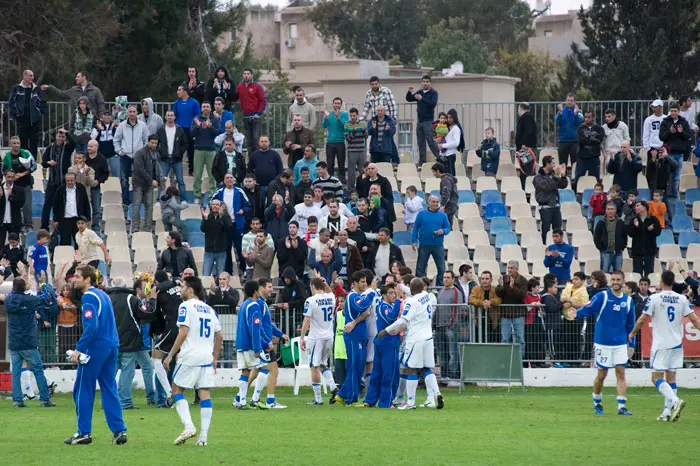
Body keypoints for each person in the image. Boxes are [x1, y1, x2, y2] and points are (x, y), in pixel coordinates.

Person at [64, 265, 127, 445]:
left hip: (96, 347)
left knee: (83, 388)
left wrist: (79, 349)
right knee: (109, 388)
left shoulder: (89, 296)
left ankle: (83, 432)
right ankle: (119, 431)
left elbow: (92, 326)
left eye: (77, 276)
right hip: (111, 345)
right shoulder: (104, 295)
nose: (73, 279)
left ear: (87, 279)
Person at [629, 270, 700, 421]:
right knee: (671, 378)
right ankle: (667, 413)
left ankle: (675, 401)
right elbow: (694, 319)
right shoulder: (682, 298)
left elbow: (642, 319)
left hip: (661, 344)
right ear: (673, 281)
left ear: (661, 281)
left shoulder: (654, 298)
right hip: (676, 343)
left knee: (656, 378)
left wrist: (633, 333)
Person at [163, 276, 222, 446]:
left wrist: (170, 354)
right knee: (204, 393)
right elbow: (220, 335)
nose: (180, 289)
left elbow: (183, 332)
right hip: (206, 357)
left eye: (182, 286)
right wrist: (215, 357)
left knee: (176, 389)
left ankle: (188, 426)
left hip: (190, 355)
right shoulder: (209, 309)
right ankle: (203, 438)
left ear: (190, 289)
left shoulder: (185, 306)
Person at [567, 270, 635, 416]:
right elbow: (589, 308)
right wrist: (576, 314)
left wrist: (632, 344)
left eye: (618, 280)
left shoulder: (628, 301)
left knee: (621, 372)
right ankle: (597, 401)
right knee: (602, 374)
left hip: (620, 343)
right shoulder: (603, 296)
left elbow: (631, 326)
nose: (615, 282)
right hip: (602, 342)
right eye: (614, 279)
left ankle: (621, 406)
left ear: (623, 282)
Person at [379, 277, 443, 410]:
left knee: (410, 369)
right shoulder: (426, 296)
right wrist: (401, 287)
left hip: (415, 339)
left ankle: (410, 402)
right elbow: (414, 290)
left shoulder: (411, 302)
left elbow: (403, 320)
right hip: (428, 338)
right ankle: (437, 394)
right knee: (427, 369)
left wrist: (386, 330)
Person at [4, 275, 55, 408]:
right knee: (38, 370)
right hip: (28, 342)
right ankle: (45, 399)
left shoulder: (9, 299)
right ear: (24, 287)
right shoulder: (29, 300)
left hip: (14, 342)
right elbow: (46, 299)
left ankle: (17, 400)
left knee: (15, 372)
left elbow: (11, 295)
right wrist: (42, 285)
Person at [331, 271, 377, 406]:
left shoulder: (356, 296)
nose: (365, 284)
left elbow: (365, 312)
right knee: (354, 366)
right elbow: (362, 306)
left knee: (358, 366)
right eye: (362, 282)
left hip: (359, 334)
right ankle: (351, 399)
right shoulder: (352, 296)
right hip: (353, 335)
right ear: (355, 283)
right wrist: (372, 292)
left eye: (365, 281)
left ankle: (342, 394)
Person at [112, 277, 155, 410]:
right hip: (129, 341)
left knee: (111, 371)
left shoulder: (106, 298)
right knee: (127, 372)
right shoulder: (131, 299)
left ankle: (109, 400)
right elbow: (147, 313)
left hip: (112, 340)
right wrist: (153, 300)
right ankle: (125, 402)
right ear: (126, 286)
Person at [300, 278, 339, 405]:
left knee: (314, 366)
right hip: (329, 336)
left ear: (312, 286)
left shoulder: (310, 300)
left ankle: (318, 398)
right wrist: (326, 283)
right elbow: (329, 291)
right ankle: (333, 387)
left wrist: (302, 337)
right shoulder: (331, 297)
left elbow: (306, 320)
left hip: (316, 337)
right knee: (323, 364)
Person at [363, 282, 401, 408]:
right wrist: (398, 302)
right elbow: (390, 319)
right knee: (390, 373)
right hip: (388, 343)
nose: (394, 295)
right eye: (390, 293)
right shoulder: (384, 306)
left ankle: (370, 400)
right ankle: (386, 402)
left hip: (383, 342)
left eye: (394, 293)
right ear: (384, 295)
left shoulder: (385, 305)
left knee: (378, 372)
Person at [211, 173, 251, 275]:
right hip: (224, 226)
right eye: (227, 178)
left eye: (231, 178)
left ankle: (243, 269)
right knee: (226, 249)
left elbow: (248, 206)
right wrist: (219, 209)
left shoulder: (239, 191)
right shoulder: (219, 192)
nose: (229, 179)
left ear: (234, 180)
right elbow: (211, 204)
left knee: (240, 248)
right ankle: (228, 271)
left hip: (237, 225)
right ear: (224, 181)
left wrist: (242, 210)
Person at [113, 105, 149, 205]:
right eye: (130, 112)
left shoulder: (142, 125)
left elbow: (146, 139)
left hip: (139, 156)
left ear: (137, 112)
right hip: (125, 155)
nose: (132, 113)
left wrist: (143, 152)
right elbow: (116, 139)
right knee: (124, 180)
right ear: (127, 113)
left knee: (140, 179)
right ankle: (125, 200)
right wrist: (119, 151)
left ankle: (139, 200)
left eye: (134, 111)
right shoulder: (122, 125)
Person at [412, 195, 450, 286]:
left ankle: (440, 287)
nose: (435, 204)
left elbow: (448, 228)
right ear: (428, 202)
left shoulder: (443, 215)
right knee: (420, 268)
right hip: (424, 245)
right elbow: (415, 228)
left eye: (437, 202)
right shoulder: (421, 214)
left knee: (441, 268)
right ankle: (420, 287)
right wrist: (414, 241)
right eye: (433, 202)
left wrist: (443, 231)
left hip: (438, 245)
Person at [41, 129, 76, 229]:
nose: (60, 138)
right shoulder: (50, 148)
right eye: (59, 136)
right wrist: (48, 162)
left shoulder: (67, 147)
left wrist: (67, 133)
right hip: (52, 181)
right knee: (47, 204)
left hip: (63, 182)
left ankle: (62, 224)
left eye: (62, 137)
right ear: (56, 137)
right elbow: (43, 163)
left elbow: (73, 143)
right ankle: (44, 226)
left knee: (62, 204)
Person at [495, 261, 528, 361]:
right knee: (505, 339)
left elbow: (522, 295)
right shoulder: (504, 278)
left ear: (517, 269)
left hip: (518, 314)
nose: (509, 270)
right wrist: (500, 285)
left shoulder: (523, 280)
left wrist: (513, 288)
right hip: (505, 314)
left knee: (520, 339)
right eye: (508, 268)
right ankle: (504, 361)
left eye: (511, 268)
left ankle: (520, 361)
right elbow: (499, 294)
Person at [2, 136, 36, 233]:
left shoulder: (26, 153)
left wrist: (23, 173)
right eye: (14, 143)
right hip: (13, 185)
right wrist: (11, 175)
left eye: (18, 143)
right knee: (14, 206)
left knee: (27, 205)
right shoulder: (7, 156)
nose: (16, 145)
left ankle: (28, 225)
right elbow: (3, 169)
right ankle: (18, 225)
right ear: (10, 145)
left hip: (26, 183)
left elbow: (34, 166)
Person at [9, 69, 45, 157]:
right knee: (23, 142)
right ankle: (23, 162)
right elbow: (12, 102)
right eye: (30, 75)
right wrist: (16, 114)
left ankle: (33, 163)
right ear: (24, 76)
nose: (32, 77)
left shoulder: (36, 88)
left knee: (34, 142)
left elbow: (42, 101)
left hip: (34, 120)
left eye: (33, 76)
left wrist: (39, 112)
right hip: (22, 120)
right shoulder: (16, 88)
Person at [659, 102, 692, 199]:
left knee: (676, 177)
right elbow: (661, 137)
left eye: (675, 111)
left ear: (678, 112)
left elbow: (688, 136)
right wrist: (669, 132)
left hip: (679, 153)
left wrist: (681, 132)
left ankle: (674, 197)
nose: (673, 113)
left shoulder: (683, 122)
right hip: (668, 154)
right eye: (672, 111)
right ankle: (666, 196)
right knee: (667, 176)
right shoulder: (665, 122)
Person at [533, 155, 568, 244]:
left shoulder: (553, 175)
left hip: (556, 206)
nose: (554, 165)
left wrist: (563, 176)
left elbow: (562, 185)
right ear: (547, 164)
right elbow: (547, 187)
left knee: (558, 230)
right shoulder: (538, 178)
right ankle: (545, 246)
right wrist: (556, 177)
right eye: (552, 163)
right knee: (546, 230)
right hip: (545, 207)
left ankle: (558, 246)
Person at [435, 270, 463, 380]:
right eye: (444, 277)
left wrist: (452, 323)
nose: (445, 279)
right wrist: (435, 323)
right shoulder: (441, 291)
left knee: (452, 352)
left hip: (451, 326)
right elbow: (437, 308)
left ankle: (453, 375)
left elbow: (457, 308)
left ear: (453, 279)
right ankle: (444, 374)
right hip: (440, 326)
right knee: (442, 352)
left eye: (448, 277)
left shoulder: (456, 292)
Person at [191, 102, 221, 203]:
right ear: (201, 108)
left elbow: (217, 133)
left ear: (210, 108)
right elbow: (191, 134)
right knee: (198, 174)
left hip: (211, 149)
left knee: (212, 174)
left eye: (207, 106)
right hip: (198, 149)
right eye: (204, 106)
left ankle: (212, 193)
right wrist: (198, 126)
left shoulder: (214, 119)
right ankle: (197, 195)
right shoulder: (196, 119)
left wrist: (210, 127)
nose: (205, 108)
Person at [406, 75, 439, 164]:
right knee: (420, 142)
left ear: (430, 83)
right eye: (424, 81)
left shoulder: (433, 93)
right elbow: (409, 99)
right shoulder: (419, 92)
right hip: (419, 121)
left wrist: (422, 99)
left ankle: (439, 157)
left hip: (428, 121)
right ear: (421, 82)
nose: (425, 83)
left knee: (430, 141)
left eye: (427, 81)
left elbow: (432, 104)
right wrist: (409, 93)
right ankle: (422, 160)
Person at [131, 134, 161, 233]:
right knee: (137, 205)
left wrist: (158, 180)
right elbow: (140, 169)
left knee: (149, 205)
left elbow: (156, 168)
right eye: (152, 143)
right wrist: (151, 180)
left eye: (155, 143)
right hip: (139, 183)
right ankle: (135, 227)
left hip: (149, 184)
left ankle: (148, 228)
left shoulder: (156, 154)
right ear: (148, 142)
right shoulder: (140, 153)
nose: (154, 145)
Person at [155, 110, 188, 198]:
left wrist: (179, 152)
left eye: (171, 115)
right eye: (168, 115)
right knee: (162, 180)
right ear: (165, 117)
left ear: (174, 117)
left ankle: (183, 199)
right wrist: (160, 152)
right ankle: (160, 199)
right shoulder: (161, 130)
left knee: (180, 181)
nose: (170, 117)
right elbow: (155, 143)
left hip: (177, 159)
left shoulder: (179, 130)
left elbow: (185, 143)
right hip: (164, 159)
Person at [53, 172, 90, 246]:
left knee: (79, 243)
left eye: (71, 180)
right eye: (68, 181)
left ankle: (78, 257)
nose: (70, 182)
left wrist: (88, 218)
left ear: (75, 180)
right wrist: (56, 220)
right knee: (65, 243)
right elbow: (55, 205)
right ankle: (66, 257)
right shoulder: (60, 189)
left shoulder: (81, 188)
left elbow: (86, 203)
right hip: (65, 220)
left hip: (78, 220)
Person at [237, 68, 267, 156]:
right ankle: (251, 161)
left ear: (251, 75)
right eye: (244, 73)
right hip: (245, 117)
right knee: (248, 141)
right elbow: (235, 97)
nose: (246, 75)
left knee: (256, 140)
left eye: (248, 74)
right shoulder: (240, 86)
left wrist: (258, 113)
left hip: (255, 117)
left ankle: (258, 159)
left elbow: (263, 100)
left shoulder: (257, 86)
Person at [627, 200, 661, 277]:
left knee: (649, 273)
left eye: (638, 206)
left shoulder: (653, 219)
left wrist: (651, 230)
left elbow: (658, 232)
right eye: (635, 206)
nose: (636, 208)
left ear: (645, 207)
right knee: (637, 273)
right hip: (637, 251)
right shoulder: (634, 220)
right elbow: (630, 234)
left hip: (649, 251)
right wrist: (636, 227)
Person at [200, 199, 232, 278]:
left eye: (217, 204)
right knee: (206, 274)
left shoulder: (225, 216)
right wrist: (206, 219)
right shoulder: (208, 216)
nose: (215, 206)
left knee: (220, 275)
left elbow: (227, 228)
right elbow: (203, 229)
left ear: (221, 206)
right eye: (213, 204)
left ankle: (220, 290)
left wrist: (222, 217)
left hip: (221, 251)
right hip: (209, 251)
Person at [173, 85, 201, 176]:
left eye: (179, 90)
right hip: (179, 129)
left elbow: (197, 116)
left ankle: (191, 169)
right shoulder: (177, 103)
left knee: (191, 150)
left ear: (185, 91)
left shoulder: (194, 102)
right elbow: (174, 116)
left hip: (190, 129)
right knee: (178, 150)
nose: (177, 92)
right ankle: (177, 169)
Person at [574, 110, 605, 188]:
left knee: (595, 179)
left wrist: (588, 139)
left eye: (589, 117)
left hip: (594, 158)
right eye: (585, 117)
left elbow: (599, 140)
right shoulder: (580, 128)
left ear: (593, 118)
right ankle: (575, 194)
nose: (586, 119)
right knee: (577, 178)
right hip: (582, 158)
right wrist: (592, 139)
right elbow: (581, 140)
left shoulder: (599, 128)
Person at [594, 202, 627, 273]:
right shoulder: (601, 222)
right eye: (608, 209)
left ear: (615, 210)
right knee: (604, 272)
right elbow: (596, 236)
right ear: (605, 210)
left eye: (612, 209)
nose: (610, 211)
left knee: (618, 273)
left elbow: (624, 236)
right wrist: (601, 247)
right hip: (605, 252)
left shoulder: (620, 222)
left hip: (618, 252)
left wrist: (622, 246)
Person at [85, 140, 110, 233]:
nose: (89, 148)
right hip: (85, 187)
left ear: (96, 147)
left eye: (91, 146)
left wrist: (98, 181)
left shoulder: (102, 159)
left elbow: (106, 173)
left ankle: (96, 226)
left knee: (96, 208)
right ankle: (85, 226)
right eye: (88, 146)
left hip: (95, 187)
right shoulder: (84, 158)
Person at [555, 93, 584, 169]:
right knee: (562, 163)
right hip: (563, 140)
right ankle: (563, 179)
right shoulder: (561, 111)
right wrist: (561, 112)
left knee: (575, 163)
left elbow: (579, 122)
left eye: (571, 100)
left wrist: (575, 114)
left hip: (575, 141)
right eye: (568, 100)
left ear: (574, 102)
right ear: (565, 101)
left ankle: (575, 179)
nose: (569, 102)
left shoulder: (578, 112)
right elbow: (558, 122)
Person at [0, 170, 25, 245]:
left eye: (12, 177)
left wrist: (11, 195)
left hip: (14, 222)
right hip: (1, 221)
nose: (10, 179)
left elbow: (20, 204)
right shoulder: (0, 189)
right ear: (5, 176)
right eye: (8, 177)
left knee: (15, 245)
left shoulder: (19, 190)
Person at [91, 111, 120, 176]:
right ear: (102, 117)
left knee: (117, 175)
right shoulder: (97, 126)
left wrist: (115, 126)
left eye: (109, 115)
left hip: (114, 155)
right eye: (105, 115)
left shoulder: (116, 126)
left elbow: (121, 136)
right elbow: (92, 138)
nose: (107, 117)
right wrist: (99, 129)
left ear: (111, 117)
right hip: (101, 156)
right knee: (100, 175)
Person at [344, 108, 368, 185]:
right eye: (351, 116)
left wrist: (364, 131)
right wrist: (353, 131)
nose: (352, 117)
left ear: (357, 115)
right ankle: (351, 189)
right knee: (351, 171)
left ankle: (363, 187)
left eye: (354, 115)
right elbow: (347, 139)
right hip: (352, 151)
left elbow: (366, 136)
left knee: (363, 170)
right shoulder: (347, 124)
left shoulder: (363, 123)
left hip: (362, 150)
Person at [432, 162, 458, 227]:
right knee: (448, 224)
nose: (433, 174)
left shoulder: (445, 180)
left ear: (438, 171)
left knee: (443, 224)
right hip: (452, 204)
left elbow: (446, 194)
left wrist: (442, 206)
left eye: (433, 172)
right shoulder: (448, 178)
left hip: (449, 205)